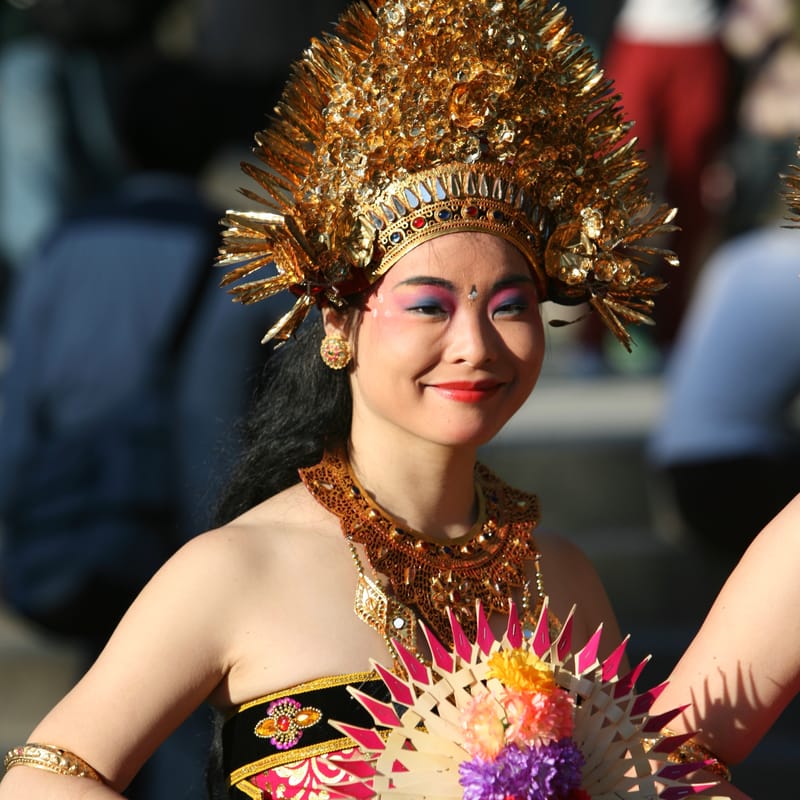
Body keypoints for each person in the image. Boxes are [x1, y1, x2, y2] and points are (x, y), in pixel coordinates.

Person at [0, 1, 741, 798]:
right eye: (429, 306)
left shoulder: (559, 579)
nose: (475, 345)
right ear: (338, 323)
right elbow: (51, 775)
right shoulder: (235, 569)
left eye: (510, 305)